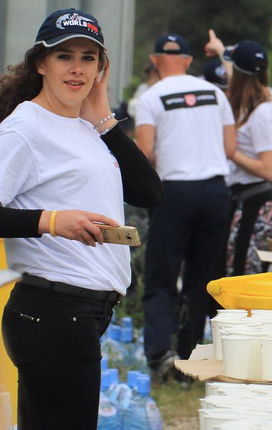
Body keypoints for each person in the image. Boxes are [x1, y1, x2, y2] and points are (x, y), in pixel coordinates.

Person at [0, 9, 163, 427]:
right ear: (41, 63)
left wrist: (105, 119)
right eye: (64, 56)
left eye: (88, 58)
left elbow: (149, 194)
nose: (77, 69)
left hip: (79, 314)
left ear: (101, 68)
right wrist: (52, 221)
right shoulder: (24, 129)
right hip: (52, 311)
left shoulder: (85, 127)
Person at [134, 32, 237, 379]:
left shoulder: (150, 97)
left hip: (173, 192)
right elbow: (229, 146)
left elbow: (145, 153)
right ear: (189, 60)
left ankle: (159, 355)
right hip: (214, 192)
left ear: (154, 59)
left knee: (162, 278)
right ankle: (192, 357)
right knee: (202, 280)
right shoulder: (216, 93)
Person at [220, 40, 272, 276]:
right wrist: (220, 50)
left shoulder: (264, 112)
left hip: (256, 201)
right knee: (231, 268)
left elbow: (269, 169)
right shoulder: (250, 104)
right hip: (243, 198)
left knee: (242, 273)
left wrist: (232, 153)